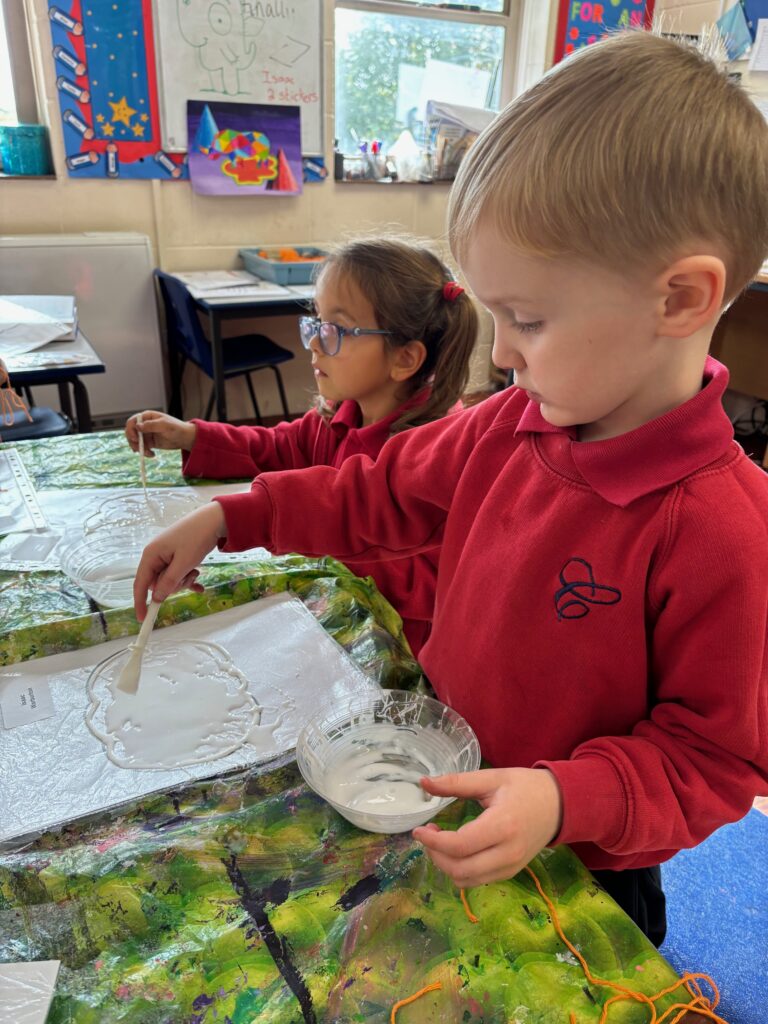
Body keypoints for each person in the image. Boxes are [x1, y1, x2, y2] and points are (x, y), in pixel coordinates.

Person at [133, 32, 768, 945]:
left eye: (530, 319)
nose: (500, 353)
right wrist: (233, 514)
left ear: (680, 301)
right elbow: (371, 494)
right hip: (437, 783)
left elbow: (713, 761)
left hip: (580, 870)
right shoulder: (505, 425)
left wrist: (560, 797)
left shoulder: (727, 531)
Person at [126, 237, 478, 655]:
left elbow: (415, 580)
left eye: (336, 330)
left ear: (404, 359)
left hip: (398, 647)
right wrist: (193, 436)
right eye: (315, 322)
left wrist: (267, 525)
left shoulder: (435, 455)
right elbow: (279, 446)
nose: (313, 342)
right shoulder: (343, 411)